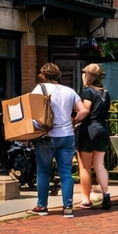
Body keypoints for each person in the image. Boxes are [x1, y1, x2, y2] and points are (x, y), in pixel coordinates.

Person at [31, 63, 81, 217]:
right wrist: (74, 122)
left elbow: (32, 112)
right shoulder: (70, 91)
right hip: (67, 136)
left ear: (44, 75)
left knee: (44, 171)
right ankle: (68, 207)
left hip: (47, 136)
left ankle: (42, 206)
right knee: (66, 172)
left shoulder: (39, 89)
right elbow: (84, 110)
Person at [76, 63, 114, 211]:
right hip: (102, 129)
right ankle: (106, 194)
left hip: (88, 129)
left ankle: (86, 199)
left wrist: (74, 120)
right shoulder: (106, 93)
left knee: (85, 166)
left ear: (88, 75)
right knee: (99, 164)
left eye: (84, 73)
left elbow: (85, 110)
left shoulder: (88, 92)